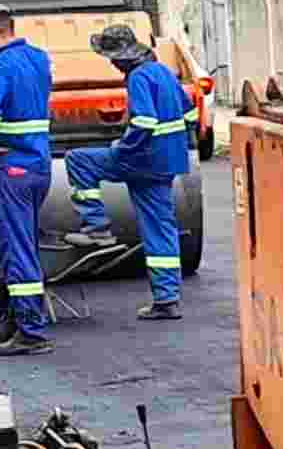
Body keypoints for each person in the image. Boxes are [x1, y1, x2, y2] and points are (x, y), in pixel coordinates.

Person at [64, 25, 192, 321]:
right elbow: (188, 112)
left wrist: (123, 148)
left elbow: (145, 122)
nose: (111, 62)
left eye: (111, 57)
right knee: (160, 226)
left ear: (121, 59)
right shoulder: (162, 72)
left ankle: (96, 227)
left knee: (79, 160)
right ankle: (167, 298)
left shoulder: (138, 78)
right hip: (168, 162)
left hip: (143, 159)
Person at [0, 2, 54, 357]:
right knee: (25, 246)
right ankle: (23, 322)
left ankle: (31, 332)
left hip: (12, 169)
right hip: (40, 166)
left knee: (17, 251)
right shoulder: (38, 58)